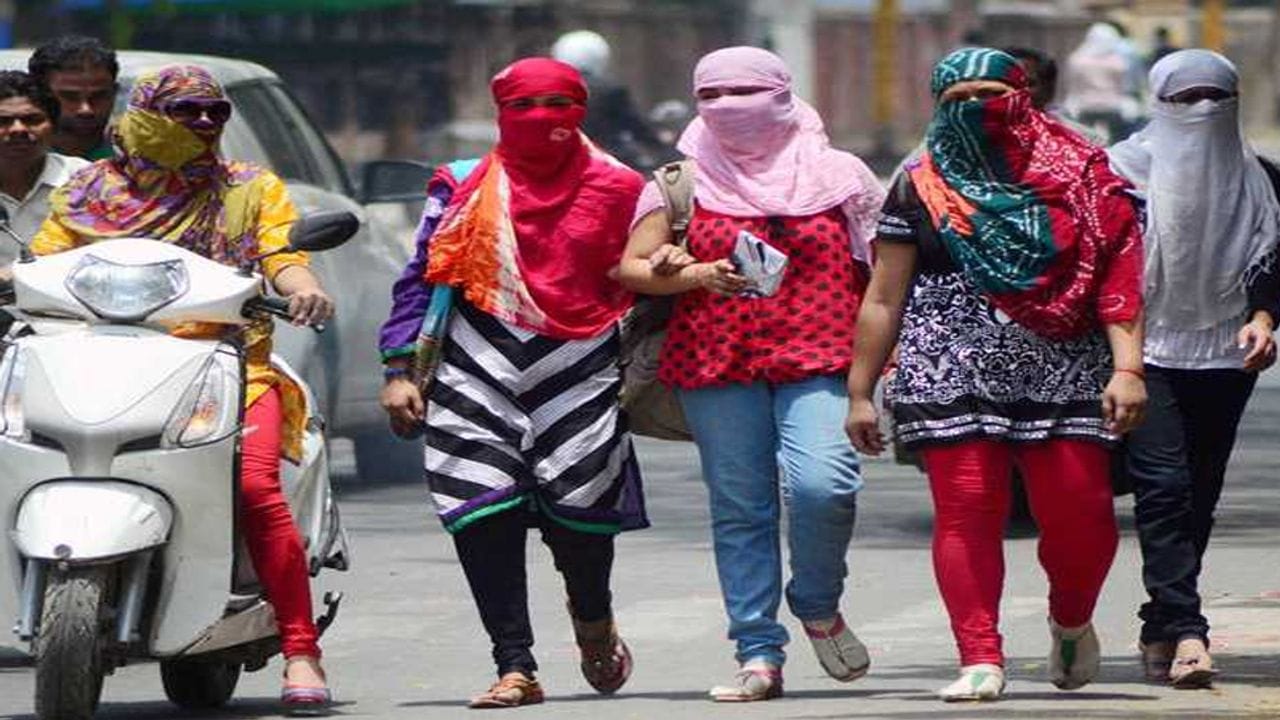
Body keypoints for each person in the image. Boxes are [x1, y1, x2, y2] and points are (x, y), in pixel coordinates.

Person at [30, 65, 335, 715]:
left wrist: (302, 286)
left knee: (255, 488)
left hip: (226, 365)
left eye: (214, 112)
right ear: (144, 116)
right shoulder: (87, 190)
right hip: (95, 364)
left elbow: (282, 255)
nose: (202, 123)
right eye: (185, 111)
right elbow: (47, 260)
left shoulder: (249, 187)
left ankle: (300, 647)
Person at [846, 48, 1147, 702]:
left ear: (1024, 97)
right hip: (947, 366)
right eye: (956, 100)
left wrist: (1128, 367)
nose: (975, 110)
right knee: (966, 511)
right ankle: (980, 654)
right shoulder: (920, 183)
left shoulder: (1084, 175)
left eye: (989, 94)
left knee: (1082, 515)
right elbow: (883, 296)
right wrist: (861, 390)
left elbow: (1118, 278)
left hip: (1065, 364)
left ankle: (1071, 619)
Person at [378, 57, 647, 709]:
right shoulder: (461, 185)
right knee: (482, 513)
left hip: (581, 365)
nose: (539, 119)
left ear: (582, 111)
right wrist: (398, 369)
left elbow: (642, 273)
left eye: (557, 105)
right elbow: (421, 276)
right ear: (500, 113)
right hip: (475, 366)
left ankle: (593, 620)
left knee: (581, 521)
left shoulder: (623, 188)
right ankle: (515, 664)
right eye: (522, 107)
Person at [618, 46, 885, 702]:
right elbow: (632, 266)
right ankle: (758, 651)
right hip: (717, 361)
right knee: (741, 508)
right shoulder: (679, 182)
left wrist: (886, 362)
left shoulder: (842, 177)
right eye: (710, 95)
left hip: (822, 356)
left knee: (824, 485)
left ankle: (816, 601)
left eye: (744, 92)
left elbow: (885, 272)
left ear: (784, 95)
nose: (727, 106)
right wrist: (690, 273)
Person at [1108, 49, 1280, 688]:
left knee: (1200, 491)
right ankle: (1187, 629)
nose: (1202, 109)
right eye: (1185, 99)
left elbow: (1275, 262)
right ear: (1159, 103)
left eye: (1215, 97)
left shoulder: (1264, 180)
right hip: (1139, 350)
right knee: (1163, 486)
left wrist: (1264, 318)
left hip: (1227, 352)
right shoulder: (1117, 176)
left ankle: (1161, 619)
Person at [551, 30, 669, 170]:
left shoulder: (547, 89)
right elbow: (634, 125)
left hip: (557, 161)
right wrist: (660, 144)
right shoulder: (610, 89)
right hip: (607, 159)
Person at [0, 71, 87, 248]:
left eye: (32, 120)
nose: (18, 129)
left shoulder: (87, 180)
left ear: (54, 126)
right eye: (3, 121)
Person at [28, 35, 118, 161]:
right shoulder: (12, 160)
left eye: (98, 96)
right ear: (39, 95)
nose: (86, 110)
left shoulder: (136, 159)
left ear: (114, 93)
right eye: (70, 97)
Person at [1062, 23, 1143, 144]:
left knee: (1085, 138)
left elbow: (1072, 84)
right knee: (1119, 138)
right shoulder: (1117, 61)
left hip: (1083, 106)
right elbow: (1124, 86)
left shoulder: (1077, 59)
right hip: (1113, 106)